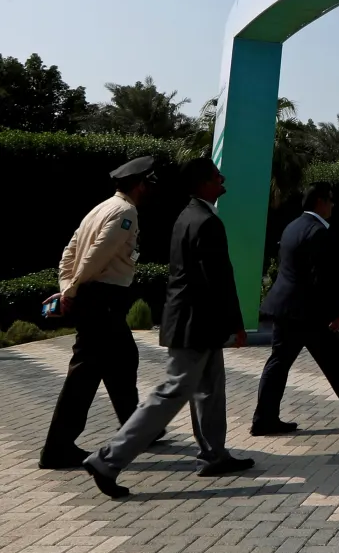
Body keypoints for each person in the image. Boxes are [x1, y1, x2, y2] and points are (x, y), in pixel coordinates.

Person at [82, 157, 253, 498]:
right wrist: (235, 322)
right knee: (172, 392)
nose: (223, 181)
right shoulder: (205, 221)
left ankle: (214, 454)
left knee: (210, 387)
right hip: (196, 323)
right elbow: (217, 280)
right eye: (218, 177)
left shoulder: (187, 216)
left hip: (191, 320)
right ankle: (108, 459)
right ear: (204, 183)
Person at [38, 156, 157, 470]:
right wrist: (71, 292)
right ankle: (57, 448)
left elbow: (70, 252)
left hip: (97, 297)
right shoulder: (125, 211)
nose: (150, 189)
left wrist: (67, 286)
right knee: (85, 374)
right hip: (102, 298)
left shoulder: (100, 208)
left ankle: (136, 429)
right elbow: (96, 254)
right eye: (149, 183)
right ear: (138, 183)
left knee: (123, 360)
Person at [251, 182, 339, 436]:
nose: (333, 206)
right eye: (331, 201)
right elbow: (324, 278)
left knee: (290, 362)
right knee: (328, 360)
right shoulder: (317, 232)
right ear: (321, 202)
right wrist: (336, 311)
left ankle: (265, 418)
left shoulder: (293, 227)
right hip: (307, 313)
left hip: (287, 308)